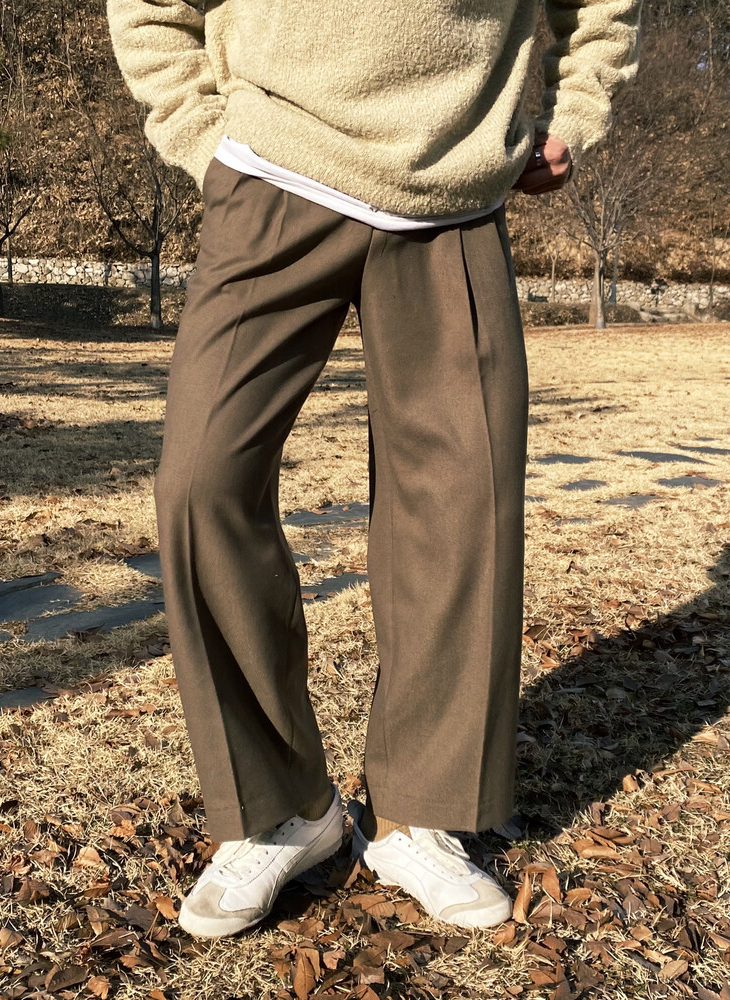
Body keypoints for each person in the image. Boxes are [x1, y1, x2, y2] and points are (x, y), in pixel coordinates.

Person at [106, 0, 642, 938]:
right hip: (270, 168)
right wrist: (202, 132)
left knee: (464, 500)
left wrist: (576, 106)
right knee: (200, 481)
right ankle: (281, 808)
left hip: (454, 187)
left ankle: (418, 811)